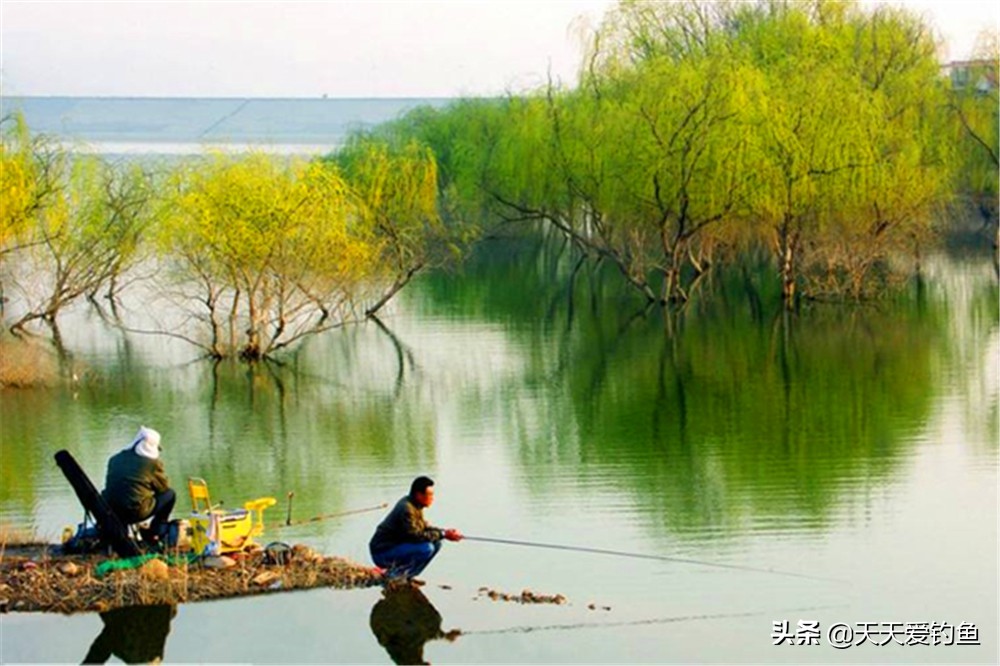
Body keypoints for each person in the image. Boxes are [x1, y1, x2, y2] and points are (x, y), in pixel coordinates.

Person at [369, 476, 462, 580]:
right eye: (430, 495)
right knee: (426, 548)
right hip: (382, 553)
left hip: (395, 548)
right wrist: (444, 534)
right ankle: (393, 576)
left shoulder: (415, 505)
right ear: (419, 495)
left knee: (437, 543)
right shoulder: (406, 509)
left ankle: (408, 576)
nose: (432, 498)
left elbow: (424, 527)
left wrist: (445, 532)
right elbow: (416, 536)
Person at [102, 426, 175, 546]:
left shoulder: (115, 458)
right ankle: (155, 532)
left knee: (122, 495)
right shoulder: (152, 464)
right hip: (136, 512)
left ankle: (123, 532)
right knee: (170, 495)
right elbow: (163, 488)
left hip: (110, 509)